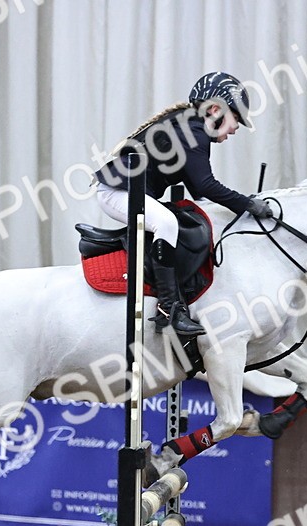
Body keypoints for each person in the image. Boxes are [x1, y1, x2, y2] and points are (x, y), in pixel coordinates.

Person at [94, 72, 273, 336]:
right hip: (116, 192)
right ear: (214, 110)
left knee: (183, 218)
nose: (236, 128)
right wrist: (248, 205)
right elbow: (205, 186)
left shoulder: (191, 127)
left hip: (127, 190)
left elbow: (198, 190)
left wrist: (237, 208)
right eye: (236, 118)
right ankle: (170, 309)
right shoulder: (193, 131)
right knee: (167, 223)